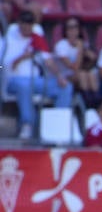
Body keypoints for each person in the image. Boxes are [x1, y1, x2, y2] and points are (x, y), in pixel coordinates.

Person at [3, 9, 70, 138]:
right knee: (24, 86)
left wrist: (59, 76)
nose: (27, 26)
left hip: (35, 80)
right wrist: (23, 56)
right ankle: (27, 124)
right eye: (24, 23)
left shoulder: (37, 39)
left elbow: (49, 62)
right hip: (14, 80)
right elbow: (5, 66)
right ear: (19, 23)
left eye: (30, 23)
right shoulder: (9, 40)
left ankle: (58, 125)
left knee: (65, 87)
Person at [52, 17, 98, 98]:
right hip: (62, 77)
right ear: (66, 30)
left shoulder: (83, 43)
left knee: (91, 75)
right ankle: (88, 104)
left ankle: (96, 102)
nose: (73, 30)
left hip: (79, 74)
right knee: (82, 75)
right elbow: (75, 67)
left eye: (76, 27)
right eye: (70, 27)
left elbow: (92, 62)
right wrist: (80, 49)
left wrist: (90, 57)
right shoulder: (61, 45)